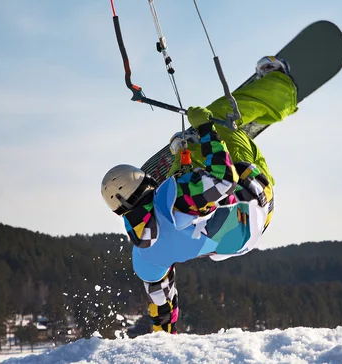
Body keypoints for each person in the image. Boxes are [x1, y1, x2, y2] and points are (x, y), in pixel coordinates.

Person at [101, 56, 298, 334]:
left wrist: (164, 337)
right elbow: (224, 180)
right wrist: (206, 129)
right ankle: (282, 86)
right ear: (145, 184)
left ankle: (193, 152)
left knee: (193, 178)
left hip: (239, 240)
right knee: (222, 123)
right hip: (255, 197)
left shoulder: (143, 254)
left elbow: (162, 306)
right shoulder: (175, 197)